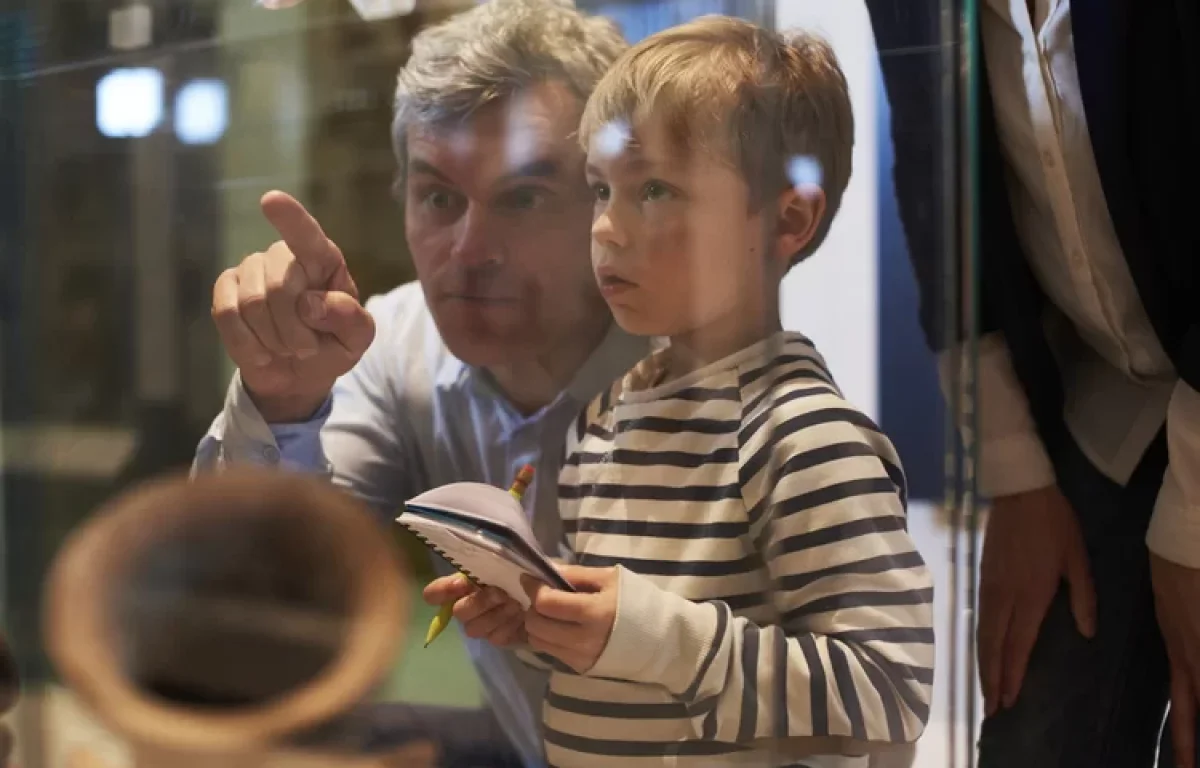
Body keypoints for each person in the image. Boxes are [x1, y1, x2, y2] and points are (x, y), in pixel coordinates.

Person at [431, 16, 935, 767]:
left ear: (787, 219)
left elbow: (890, 692)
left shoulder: (803, 436)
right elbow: (627, 665)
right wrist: (540, 619)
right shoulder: (606, 420)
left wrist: (649, 636)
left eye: (656, 190)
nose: (605, 230)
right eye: (602, 190)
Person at [192, 1, 644, 765]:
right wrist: (280, 404)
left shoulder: (700, 359)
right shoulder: (394, 341)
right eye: (438, 196)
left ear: (608, 202)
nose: (469, 251)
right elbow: (257, 602)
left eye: (524, 197)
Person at [865, 1, 1200, 765]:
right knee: (1036, 733)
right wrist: (1015, 471)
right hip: (1097, 397)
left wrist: (1193, 521)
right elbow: (932, 170)